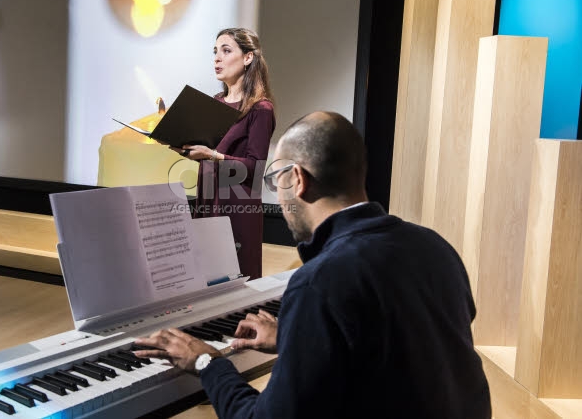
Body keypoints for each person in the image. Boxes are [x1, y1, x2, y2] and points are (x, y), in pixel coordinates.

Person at [135, 112, 492, 418]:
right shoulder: (434, 246)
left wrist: (206, 362)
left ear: (298, 179)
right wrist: (297, 337)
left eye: (276, 181)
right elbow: (400, 346)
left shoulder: (320, 282)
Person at [169, 28, 275, 281]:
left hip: (236, 208)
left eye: (226, 51)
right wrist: (184, 147)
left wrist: (214, 155)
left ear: (248, 58)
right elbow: (207, 151)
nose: (217, 58)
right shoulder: (215, 102)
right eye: (215, 52)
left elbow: (255, 166)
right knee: (204, 281)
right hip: (208, 202)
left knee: (234, 283)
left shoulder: (260, 109)